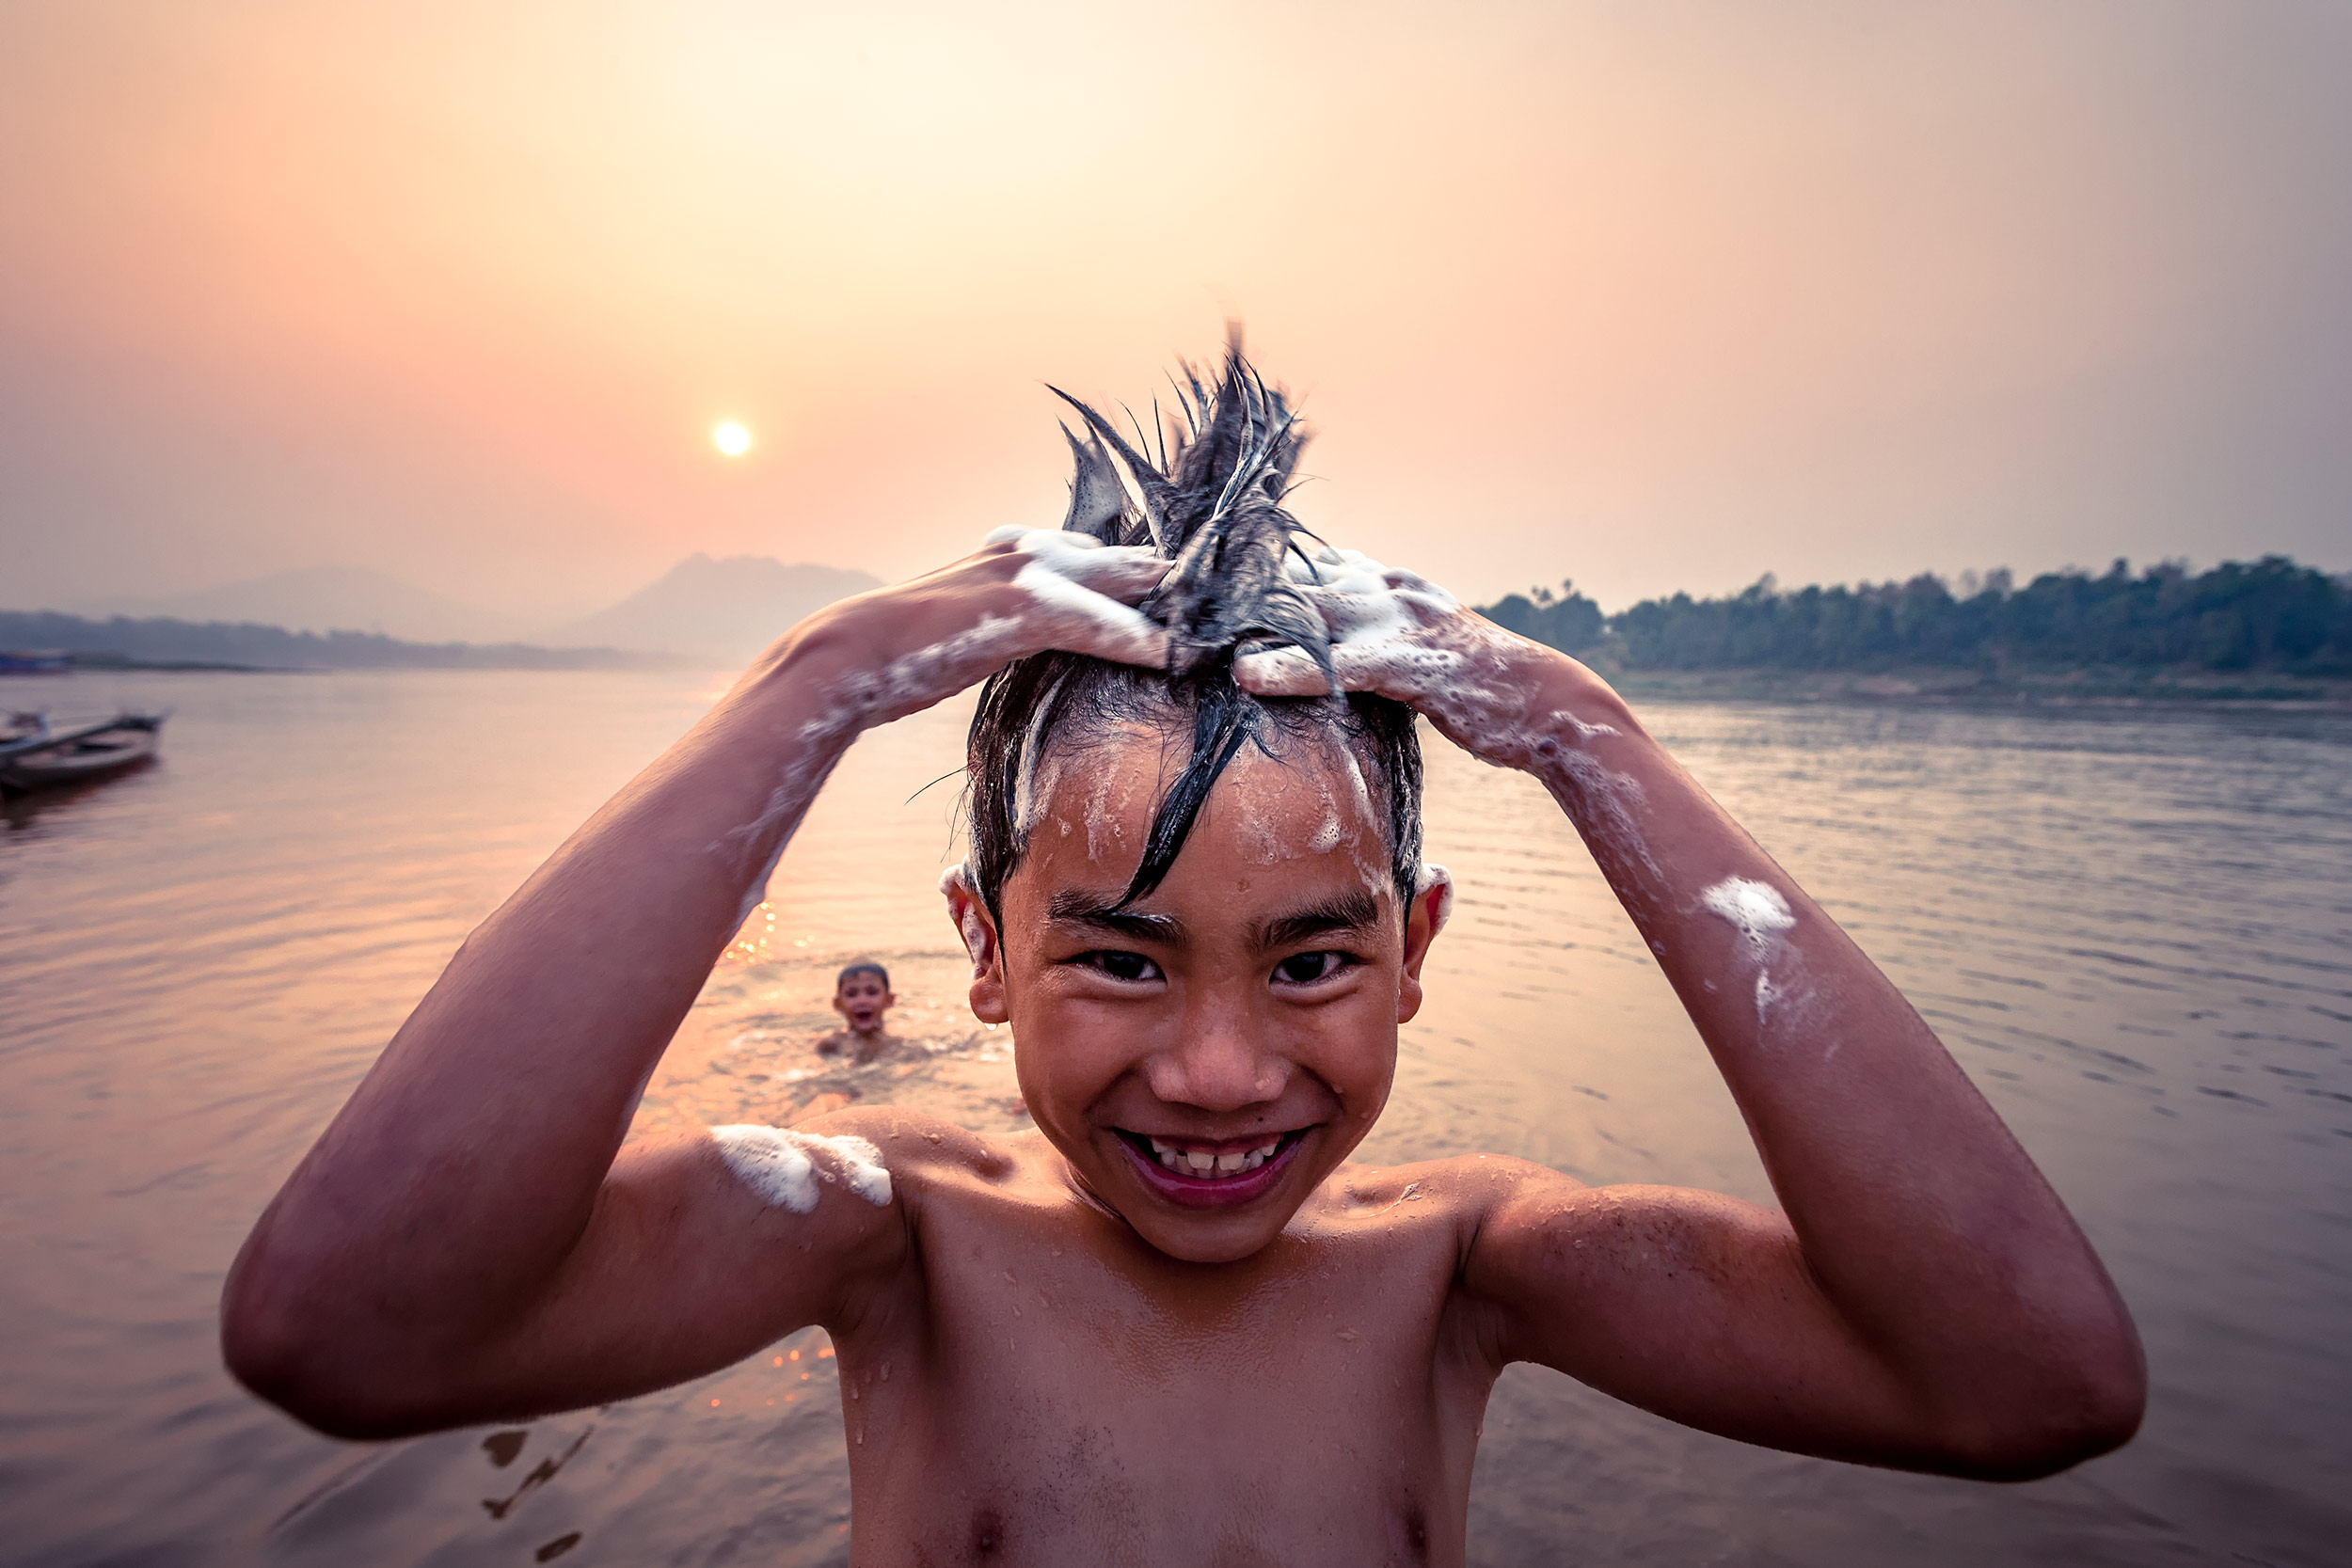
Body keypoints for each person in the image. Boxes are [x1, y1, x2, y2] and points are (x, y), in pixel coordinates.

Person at [223, 356, 2143, 1565]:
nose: (1219, 1071)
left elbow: (2028, 1380)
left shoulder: (1457, 1268)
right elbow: (348, 1327)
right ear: (976, 950)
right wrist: (809, 693)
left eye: (1311, 957)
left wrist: (1586, 737)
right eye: (1124, 963)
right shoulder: (893, 1240)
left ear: (1415, 953)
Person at [818, 960, 901, 1063]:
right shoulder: (830, 1045)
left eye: (872, 992)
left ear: (889, 1000)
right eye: (851, 994)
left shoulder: (899, 1046)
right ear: (837, 1004)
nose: (862, 1000)